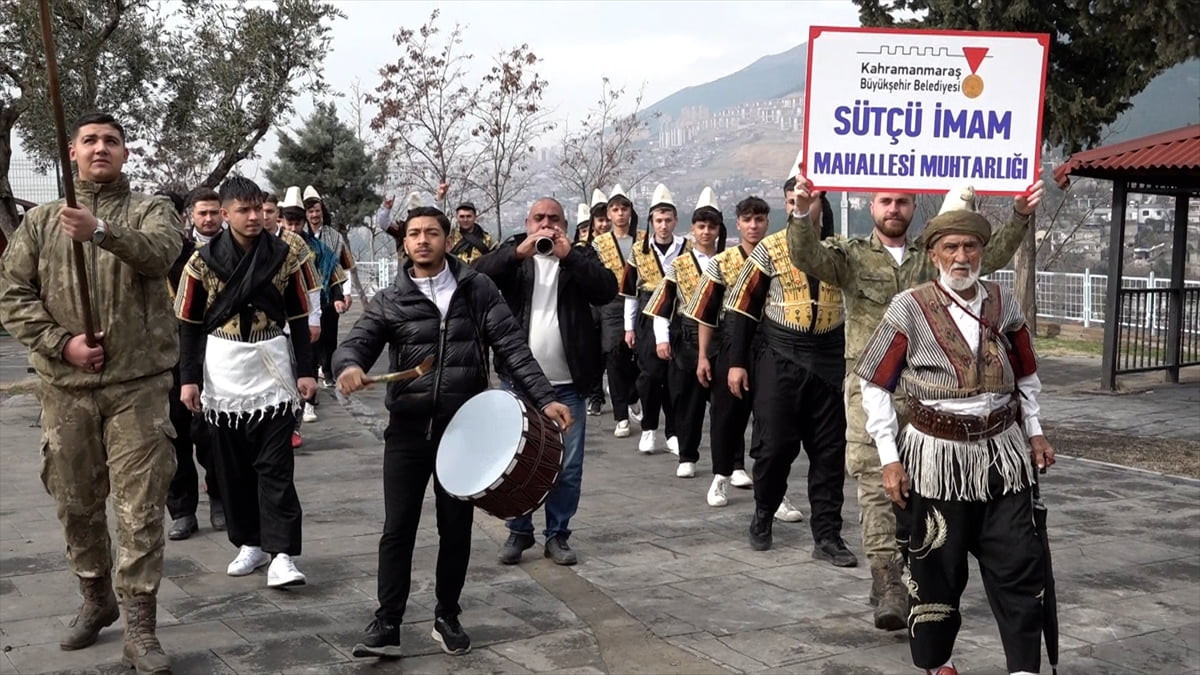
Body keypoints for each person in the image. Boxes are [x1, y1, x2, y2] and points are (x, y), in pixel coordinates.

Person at [786, 174, 1042, 630]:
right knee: (873, 479)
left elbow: (991, 254)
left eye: (902, 201)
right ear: (872, 205)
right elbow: (805, 255)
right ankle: (887, 582)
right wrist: (804, 213)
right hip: (871, 387)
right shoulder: (850, 255)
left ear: (913, 205)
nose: (894, 209)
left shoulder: (935, 255)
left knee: (925, 487)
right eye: (886, 201)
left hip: (929, 393)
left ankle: (918, 573)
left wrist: (1021, 214)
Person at [333, 204, 572, 659]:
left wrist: (546, 398)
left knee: (455, 527)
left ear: (447, 239)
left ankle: (447, 614)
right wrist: (348, 366)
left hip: (465, 431)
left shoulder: (477, 289)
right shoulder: (391, 299)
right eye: (414, 234)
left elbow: (512, 347)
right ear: (404, 243)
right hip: (407, 431)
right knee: (397, 528)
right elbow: (357, 342)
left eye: (431, 233)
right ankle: (387, 623)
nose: (422, 240)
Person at [0, 111, 181, 673]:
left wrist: (101, 233)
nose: (101, 148)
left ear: (125, 153)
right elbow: (12, 294)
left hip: (138, 387)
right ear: (72, 153)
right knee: (75, 503)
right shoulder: (41, 222)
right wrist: (62, 344)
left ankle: (141, 627)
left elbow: (162, 253)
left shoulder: (152, 210)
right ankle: (94, 597)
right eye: (90, 141)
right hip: (65, 388)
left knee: (140, 506)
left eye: (112, 141)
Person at [854, 195, 1054, 675]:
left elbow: (1025, 374)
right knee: (937, 566)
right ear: (935, 254)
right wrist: (889, 458)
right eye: (950, 248)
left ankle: (1024, 667)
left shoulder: (1004, 304)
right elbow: (875, 384)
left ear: (982, 251)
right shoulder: (910, 307)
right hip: (935, 457)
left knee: (1018, 560)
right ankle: (936, 662)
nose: (961, 257)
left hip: (1003, 454)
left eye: (969, 247)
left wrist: (1036, 432)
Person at [176, 176, 316, 589]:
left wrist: (306, 370)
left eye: (258, 208)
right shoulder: (200, 262)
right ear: (225, 214)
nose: (254, 216)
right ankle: (249, 542)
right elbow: (188, 324)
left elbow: (298, 315)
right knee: (230, 466)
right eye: (243, 209)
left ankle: (283, 554)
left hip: (272, 369)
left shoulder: (286, 254)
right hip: (222, 372)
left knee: (275, 466)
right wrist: (189, 380)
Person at [475, 197, 617, 565]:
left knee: (567, 466)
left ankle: (558, 534)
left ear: (566, 224)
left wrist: (570, 256)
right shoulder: (514, 253)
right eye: (538, 218)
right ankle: (519, 531)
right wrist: (516, 254)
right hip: (518, 379)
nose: (546, 225)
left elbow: (606, 289)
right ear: (526, 222)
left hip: (568, 382)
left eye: (554, 219)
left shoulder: (580, 256)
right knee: (517, 462)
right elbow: (475, 278)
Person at [724, 194, 854, 565]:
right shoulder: (769, 248)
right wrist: (737, 362)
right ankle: (764, 512)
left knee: (830, 452)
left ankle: (827, 535)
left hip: (829, 358)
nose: (806, 206)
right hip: (780, 356)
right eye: (798, 199)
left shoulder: (838, 250)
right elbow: (742, 307)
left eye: (813, 200)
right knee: (776, 446)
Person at [683, 196, 766, 506]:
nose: (754, 225)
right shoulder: (721, 263)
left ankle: (772, 487)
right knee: (726, 414)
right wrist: (703, 355)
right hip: (729, 341)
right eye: (748, 220)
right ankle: (721, 477)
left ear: (767, 222)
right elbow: (707, 312)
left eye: (759, 219)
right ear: (739, 223)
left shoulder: (776, 258)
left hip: (768, 343)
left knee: (770, 416)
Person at [645, 187, 722, 478]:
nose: (705, 232)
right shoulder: (679, 265)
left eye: (711, 227)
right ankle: (688, 455)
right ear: (693, 229)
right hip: (687, 337)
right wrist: (662, 339)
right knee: (688, 401)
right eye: (700, 226)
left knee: (725, 405)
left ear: (718, 230)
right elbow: (663, 306)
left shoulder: (728, 262)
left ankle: (732, 462)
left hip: (720, 338)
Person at [165, 187, 227, 541]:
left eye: (213, 212)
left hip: (213, 353)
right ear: (188, 216)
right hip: (166, 356)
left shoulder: (223, 250)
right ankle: (183, 510)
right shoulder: (165, 253)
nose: (208, 219)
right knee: (173, 436)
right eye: (201, 213)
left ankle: (219, 497)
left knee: (210, 435)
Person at [622, 183, 688, 454]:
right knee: (649, 376)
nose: (663, 226)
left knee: (676, 377)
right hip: (649, 316)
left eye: (668, 220)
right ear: (651, 221)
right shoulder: (639, 250)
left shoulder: (687, 247)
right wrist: (629, 327)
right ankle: (649, 427)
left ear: (675, 221)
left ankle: (673, 431)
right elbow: (630, 294)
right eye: (658, 220)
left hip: (679, 316)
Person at [591, 185, 643, 438]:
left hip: (639, 301)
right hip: (611, 303)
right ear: (608, 214)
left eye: (624, 209)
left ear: (630, 212)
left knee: (638, 354)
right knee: (613, 355)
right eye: (615, 209)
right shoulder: (599, 243)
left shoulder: (643, 239)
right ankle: (621, 415)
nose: (620, 214)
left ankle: (633, 392)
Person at [303, 185, 355, 390]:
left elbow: (344, 265)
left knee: (329, 334)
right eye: (310, 211)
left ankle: (328, 371)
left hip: (331, 292)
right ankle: (312, 370)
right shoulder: (300, 237)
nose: (315, 215)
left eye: (317, 210)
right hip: (306, 294)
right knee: (310, 336)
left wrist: (346, 292)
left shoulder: (334, 237)